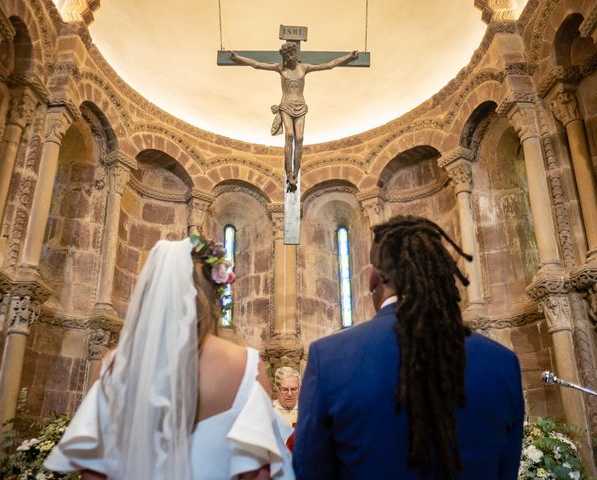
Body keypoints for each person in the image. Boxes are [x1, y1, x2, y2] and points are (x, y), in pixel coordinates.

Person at [44, 236, 295, 480]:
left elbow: (94, 472)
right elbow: (259, 472)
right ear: (214, 297)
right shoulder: (246, 366)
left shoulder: (113, 366)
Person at [293, 215, 524, 479]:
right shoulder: (502, 363)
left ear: (372, 278)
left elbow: (309, 471)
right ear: (441, 272)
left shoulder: (329, 359)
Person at [230, 43, 358, 192]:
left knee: (300, 138)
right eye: (287, 56)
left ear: (296, 54)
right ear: (284, 57)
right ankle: (288, 172)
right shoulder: (280, 68)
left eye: (292, 54)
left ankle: (295, 174)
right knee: (289, 134)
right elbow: (257, 65)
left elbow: (329, 65)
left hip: (301, 106)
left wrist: (349, 56)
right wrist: (237, 57)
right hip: (286, 105)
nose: (291, 58)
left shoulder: (304, 67)